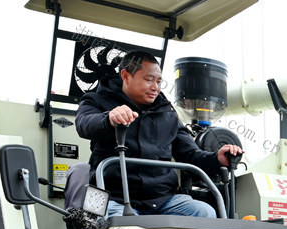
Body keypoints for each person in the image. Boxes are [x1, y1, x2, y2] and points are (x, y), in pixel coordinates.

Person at [75, 51, 242, 218]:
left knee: (205, 213)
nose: (155, 87)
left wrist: (216, 159)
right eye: (149, 80)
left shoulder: (167, 112)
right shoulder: (96, 100)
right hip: (111, 195)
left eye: (159, 81)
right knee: (115, 225)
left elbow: (190, 155)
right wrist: (109, 119)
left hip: (162, 198)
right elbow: (84, 124)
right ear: (126, 76)